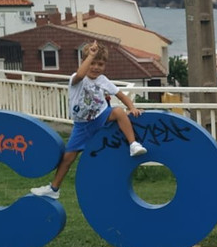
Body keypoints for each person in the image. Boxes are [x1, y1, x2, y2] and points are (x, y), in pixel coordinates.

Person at [30, 41, 147, 199]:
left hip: (100, 117)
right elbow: (80, 74)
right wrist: (91, 54)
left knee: (119, 111)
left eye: (100, 64)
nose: (96, 67)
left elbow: (120, 95)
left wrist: (132, 107)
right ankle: (54, 189)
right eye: (92, 63)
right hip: (82, 126)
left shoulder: (103, 80)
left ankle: (133, 144)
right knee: (67, 158)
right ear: (84, 62)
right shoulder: (77, 78)